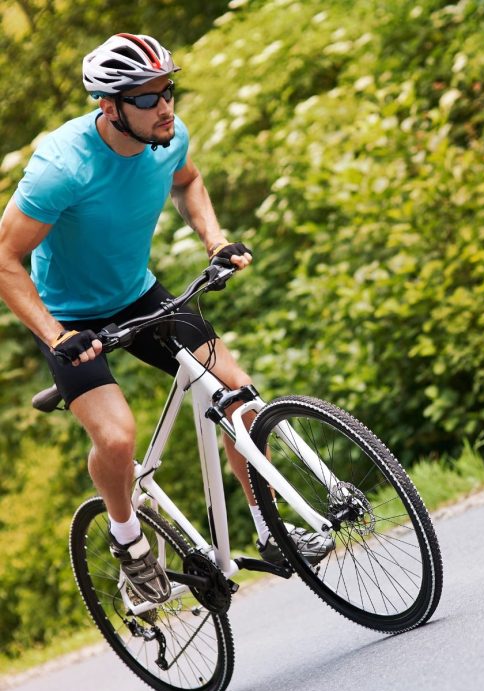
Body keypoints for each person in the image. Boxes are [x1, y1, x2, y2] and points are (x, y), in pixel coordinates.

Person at [0, 33, 332, 604]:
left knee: (238, 394)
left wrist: (214, 239)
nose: (166, 107)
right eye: (149, 97)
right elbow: (5, 259)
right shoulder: (63, 168)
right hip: (71, 320)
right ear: (110, 106)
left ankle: (271, 527)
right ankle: (129, 543)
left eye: (167, 91)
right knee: (118, 436)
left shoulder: (167, 139)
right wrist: (57, 336)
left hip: (139, 294)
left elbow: (189, 181)